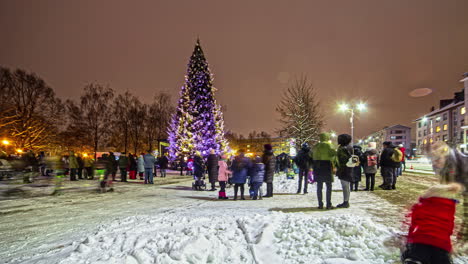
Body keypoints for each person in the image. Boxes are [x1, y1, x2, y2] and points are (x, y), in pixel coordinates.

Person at [401, 183, 462, 264]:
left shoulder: (420, 206)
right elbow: (449, 231)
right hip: (442, 247)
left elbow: (412, 225)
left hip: (419, 244)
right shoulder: (449, 211)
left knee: (412, 259)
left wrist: (408, 240)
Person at [427, 141, 468, 244]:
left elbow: (457, 185)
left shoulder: (458, 160)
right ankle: (462, 240)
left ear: (445, 154)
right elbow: (446, 186)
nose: (435, 163)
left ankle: (462, 241)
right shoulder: (441, 165)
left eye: (437, 159)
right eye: (433, 160)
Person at [312, 133, 336, 209]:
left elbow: (311, 155)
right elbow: (333, 155)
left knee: (319, 186)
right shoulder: (329, 145)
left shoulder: (316, 146)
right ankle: (328, 204)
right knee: (328, 186)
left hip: (318, 166)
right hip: (327, 166)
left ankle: (320, 204)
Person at [335, 134, 353, 208]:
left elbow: (342, 159)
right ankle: (346, 201)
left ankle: (346, 202)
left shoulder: (343, 148)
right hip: (348, 168)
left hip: (344, 169)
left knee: (345, 186)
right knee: (346, 186)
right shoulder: (349, 147)